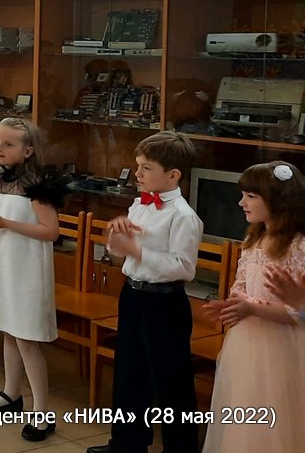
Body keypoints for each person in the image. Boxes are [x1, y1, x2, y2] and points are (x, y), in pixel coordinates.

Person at [87, 132, 202, 453]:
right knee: (129, 371)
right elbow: (120, 252)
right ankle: (127, 442)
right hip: (133, 294)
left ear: (173, 175)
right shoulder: (140, 203)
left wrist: (136, 250)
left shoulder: (183, 216)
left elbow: (183, 267)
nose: (137, 173)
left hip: (165, 302)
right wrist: (116, 238)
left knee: (171, 380)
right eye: (137, 166)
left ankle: (180, 449)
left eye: (146, 168)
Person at [0, 117, 64, 442]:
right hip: (4, 265)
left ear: (28, 150)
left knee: (26, 339)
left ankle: (43, 413)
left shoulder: (36, 186)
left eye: (8, 144)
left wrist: (5, 223)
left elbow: (51, 231)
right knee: (8, 330)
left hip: (28, 270)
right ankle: (11, 393)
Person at [201, 161, 305, 453]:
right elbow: (241, 284)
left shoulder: (298, 247)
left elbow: (298, 312)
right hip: (247, 342)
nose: (241, 202)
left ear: (279, 200)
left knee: (277, 418)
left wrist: (253, 309)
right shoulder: (253, 239)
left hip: (283, 348)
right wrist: (233, 304)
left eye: (250, 196)